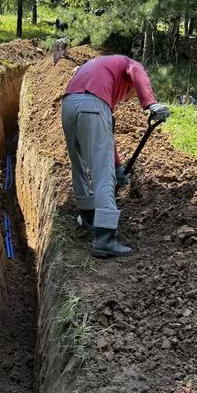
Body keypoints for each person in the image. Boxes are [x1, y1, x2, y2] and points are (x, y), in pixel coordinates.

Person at [61, 54, 169, 258]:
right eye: (131, 95)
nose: (127, 99)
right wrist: (150, 103)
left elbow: (106, 137)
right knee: (103, 175)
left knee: (79, 164)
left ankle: (88, 217)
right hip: (91, 107)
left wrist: (118, 164)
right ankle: (105, 238)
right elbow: (137, 71)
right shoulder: (130, 64)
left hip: (68, 105)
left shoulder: (100, 69)